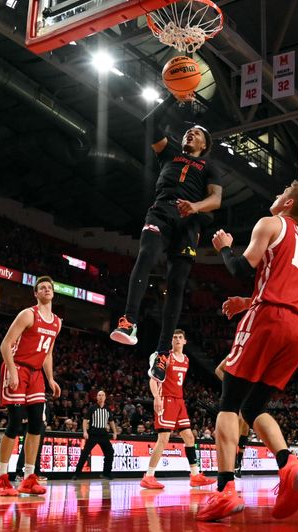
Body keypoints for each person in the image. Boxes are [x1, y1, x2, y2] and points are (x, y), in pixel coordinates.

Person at [197, 181, 298, 522]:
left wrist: (225, 247)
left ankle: (224, 490)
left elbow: (240, 269)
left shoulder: (270, 223)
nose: (276, 194)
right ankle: (288, 462)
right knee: (254, 406)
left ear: (289, 202)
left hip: (269, 320)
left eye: (281, 190)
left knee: (229, 401)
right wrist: (249, 301)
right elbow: (287, 291)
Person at [109, 94, 223, 382]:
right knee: (146, 255)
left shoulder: (209, 167)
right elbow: (149, 123)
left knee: (176, 284)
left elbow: (216, 199)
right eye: (188, 131)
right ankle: (129, 320)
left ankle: (161, 354)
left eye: (195, 133)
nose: (190, 134)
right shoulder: (170, 153)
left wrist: (195, 207)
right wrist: (173, 98)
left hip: (189, 222)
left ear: (204, 145)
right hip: (161, 211)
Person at [0, 276, 62, 496]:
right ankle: (1, 478)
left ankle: (29, 477)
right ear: (36, 293)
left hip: (36, 373)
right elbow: (5, 344)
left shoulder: (57, 322)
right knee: (14, 422)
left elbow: (48, 353)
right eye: (42, 288)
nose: (47, 289)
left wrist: (50, 379)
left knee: (37, 425)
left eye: (49, 287)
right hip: (17, 367)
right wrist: (12, 371)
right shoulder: (28, 314)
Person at [140, 330, 215, 489]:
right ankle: (148, 476)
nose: (178, 340)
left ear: (185, 341)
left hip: (179, 401)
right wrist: (157, 397)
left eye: (180, 337)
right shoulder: (165, 357)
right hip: (166, 400)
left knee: (189, 437)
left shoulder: (186, 359)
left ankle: (195, 475)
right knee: (163, 440)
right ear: (171, 341)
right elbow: (153, 380)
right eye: (175, 337)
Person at [214, 357, 250, 478]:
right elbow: (218, 370)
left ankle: (238, 463)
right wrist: (229, 386)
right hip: (236, 396)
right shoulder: (235, 354)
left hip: (249, 394)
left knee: (245, 427)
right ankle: (232, 464)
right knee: (239, 423)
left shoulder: (256, 354)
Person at [73, 390, 117, 480]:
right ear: (97, 397)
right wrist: (85, 431)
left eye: (102, 395)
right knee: (85, 453)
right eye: (99, 395)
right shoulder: (92, 408)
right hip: (93, 433)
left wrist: (115, 432)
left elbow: (111, 421)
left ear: (105, 397)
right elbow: (85, 420)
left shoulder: (107, 409)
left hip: (103, 434)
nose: (100, 397)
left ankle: (106, 473)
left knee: (110, 452)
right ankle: (77, 474)